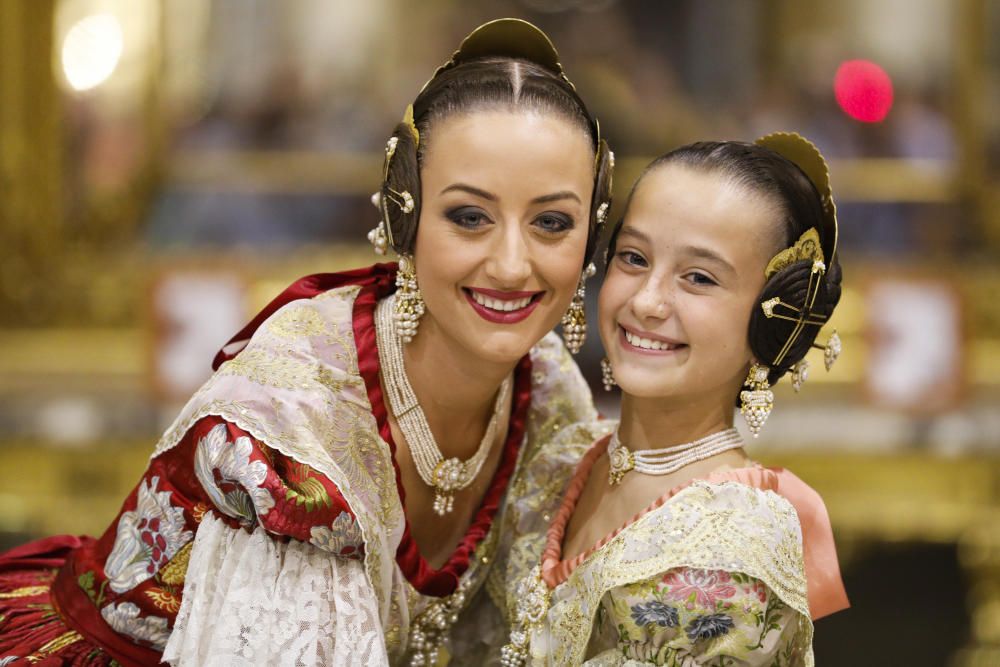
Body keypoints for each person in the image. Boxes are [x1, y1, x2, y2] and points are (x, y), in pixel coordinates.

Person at [0, 19, 613, 666]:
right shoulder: (299, 420)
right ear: (405, 219)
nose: (513, 265)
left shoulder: (545, 387)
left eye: (551, 222)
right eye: (468, 216)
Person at [491, 133, 850, 666]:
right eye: (634, 258)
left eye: (699, 278)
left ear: (774, 320)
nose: (647, 300)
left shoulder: (733, 544)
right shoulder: (560, 459)